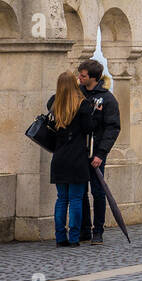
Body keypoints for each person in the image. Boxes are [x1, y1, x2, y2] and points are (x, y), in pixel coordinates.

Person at [47, 70, 95, 247]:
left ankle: (60, 237)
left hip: (59, 158)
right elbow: (89, 128)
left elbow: (51, 111)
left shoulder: (54, 104)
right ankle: (74, 238)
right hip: (77, 158)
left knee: (62, 199)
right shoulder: (82, 105)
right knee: (75, 199)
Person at [77, 59, 121, 246]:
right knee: (80, 191)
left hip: (96, 152)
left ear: (93, 78)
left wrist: (101, 154)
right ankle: (84, 229)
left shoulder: (107, 99)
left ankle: (98, 230)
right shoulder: (77, 94)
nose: (79, 78)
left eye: (83, 75)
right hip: (78, 151)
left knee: (97, 191)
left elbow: (112, 128)